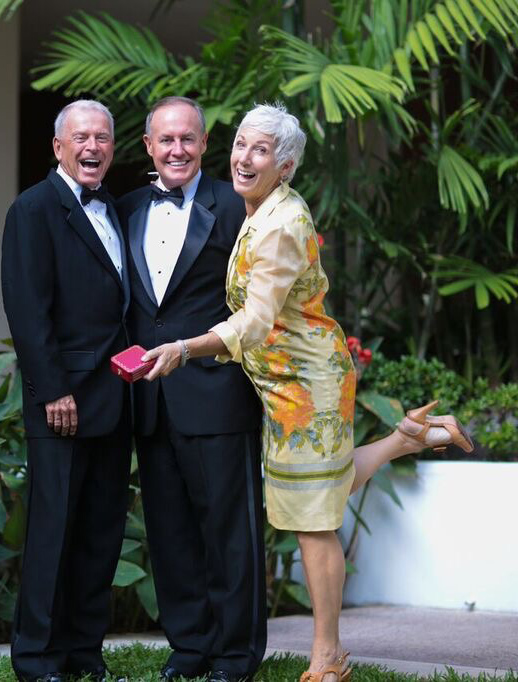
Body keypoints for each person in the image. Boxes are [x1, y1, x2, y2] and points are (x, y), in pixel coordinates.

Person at [142, 103, 474, 682]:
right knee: (318, 487)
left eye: (261, 150)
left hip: (306, 383)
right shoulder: (258, 207)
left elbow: (255, 317)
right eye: (241, 145)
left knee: (313, 521)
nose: (244, 158)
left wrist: (185, 349)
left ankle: (329, 657)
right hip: (280, 379)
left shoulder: (281, 224)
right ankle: (410, 437)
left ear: (286, 166)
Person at [118, 97, 267, 682]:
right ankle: (189, 648)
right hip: (149, 398)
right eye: (165, 140)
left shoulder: (237, 206)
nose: (176, 149)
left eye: (188, 139)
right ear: (149, 147)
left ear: (205, 145)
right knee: (170, 530)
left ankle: (234, 655)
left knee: (230, 531)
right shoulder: (126, 207)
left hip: (217, 391)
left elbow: (260, 305)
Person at [1, 100, 131, 682]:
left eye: (102, 137)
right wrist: (53, 390)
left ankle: (84, 654)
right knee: (53, 534)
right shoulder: (32, 209)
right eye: (81, 137)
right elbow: (27, 309)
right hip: (63, 400)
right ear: (57, 147)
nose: (92, 147)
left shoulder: (116, 208)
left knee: (100, 534)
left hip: (116, 396)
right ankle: (37, 659)